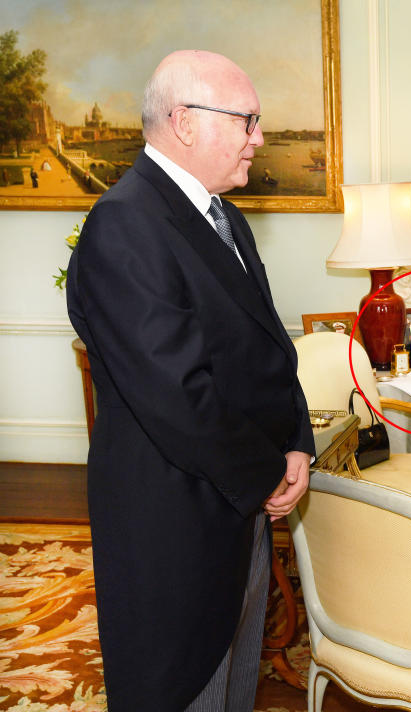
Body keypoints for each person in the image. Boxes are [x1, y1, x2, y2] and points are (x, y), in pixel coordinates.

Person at [66, 50, 315, 711]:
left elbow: (266, 349)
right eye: (248, 120)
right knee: (183, 686)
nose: (259, 138)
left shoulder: (222, 215)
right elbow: (176, 394)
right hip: (174, 518)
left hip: (239, 503)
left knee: (234, 680)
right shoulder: (126, 223)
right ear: (183, 122)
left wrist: (294, 443)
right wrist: (266, 470)